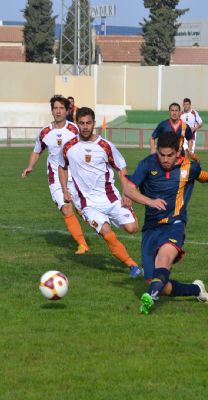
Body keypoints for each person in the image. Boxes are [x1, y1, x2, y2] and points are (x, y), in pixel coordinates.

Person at [123, 132, 208, 314]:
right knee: (157, 284)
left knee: (163, 259)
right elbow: (128, 189)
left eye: (169, 155)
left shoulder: (190, 168)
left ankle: (151, 299)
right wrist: (149, 201)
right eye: (161, 155)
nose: (165, 159)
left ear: (178, 151)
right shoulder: (148, 163)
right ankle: (196, 289)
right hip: (151, 227)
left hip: (174, 224)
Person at [58, 107, 142, 278]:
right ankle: (132, 265)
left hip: (111, 198)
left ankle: (127, 221)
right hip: (87, 204)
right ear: (77, 124)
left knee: (132, 228)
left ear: (94, 123)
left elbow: (121, 167)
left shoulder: (105, 146)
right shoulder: (69, 147)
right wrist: (65, 190)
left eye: (88, 123)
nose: (85, 127)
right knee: (106, 232)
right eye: (81, 123)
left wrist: (126, 193)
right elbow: (62, 166)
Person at [21, 95, 89, 255]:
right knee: (66, 209)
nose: (58, 111)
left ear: (67, 111)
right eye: (55, 108)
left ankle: (104, 231)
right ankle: (82, 244)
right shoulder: (45, 132)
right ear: (52, 111)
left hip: (77, 176)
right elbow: (37, 151)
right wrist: (30, 166)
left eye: (61, 108)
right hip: (56, 178)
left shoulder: (75, 129)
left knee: (82, 210)